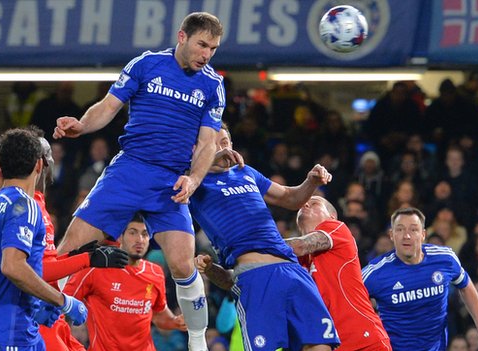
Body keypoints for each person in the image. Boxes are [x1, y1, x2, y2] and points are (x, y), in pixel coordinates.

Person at [53, 12, 229, 350]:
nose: (207, 54)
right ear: (182, 37)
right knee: (68, 249)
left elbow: (208, 142)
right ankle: (39, 322)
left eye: (214, 48)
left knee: (182, 263)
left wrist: (193, 179)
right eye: (202, 44)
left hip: (170, 182)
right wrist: (81, 125)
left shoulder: (212, 85)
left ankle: (196, 341)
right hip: (129, 171)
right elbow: (107, 107)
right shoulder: (146, 65)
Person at [192, 124, 339, 351]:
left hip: (292, 270)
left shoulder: (246, 172)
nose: (223, 149)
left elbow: (291, 198)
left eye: (225, 142)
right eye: (213, 143)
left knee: (319, 344)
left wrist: (311, 181)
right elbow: (170, 178)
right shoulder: (193, 181)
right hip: (255, 276)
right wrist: (208, 162)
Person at [0, 128, 92, 350]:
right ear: (39, 165)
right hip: (13, 334)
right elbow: (13, 266)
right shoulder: (24, 205)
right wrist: (62, 301)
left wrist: (27, 302)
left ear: (1, 166)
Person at [29, 127, 129, 351]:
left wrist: (73, 256)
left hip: (47, 319)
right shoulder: (28, 209)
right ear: (38, 163)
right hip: (31, 323)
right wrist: (86, 259)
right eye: (48, 155)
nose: (52, 160)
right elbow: (32, 270)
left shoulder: (34, 205)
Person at [362, 207, 478, 351]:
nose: (406, 236)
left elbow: (465, 286)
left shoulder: (445, 259)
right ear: (391, 235)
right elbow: (346, 298)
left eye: (413, 229)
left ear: (423, 234)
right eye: (400, 229)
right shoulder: (375, 272)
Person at [64, 214, 187, 350]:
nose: (139, 239)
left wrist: (176, 322)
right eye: (133, 233)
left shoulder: (155, 272)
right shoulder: (95, 268)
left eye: (145, 234)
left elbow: (158, 315)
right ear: (120, 236)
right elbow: (61, 306)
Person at [287, 195, 391, 350]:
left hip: (364, 340)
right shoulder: (297, 260)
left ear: (332, 216)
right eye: (303, 203)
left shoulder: (336, 228)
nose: (306, 204)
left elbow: (300, 245)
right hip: (330, 343)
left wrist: (252, 242)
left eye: (314, 203)